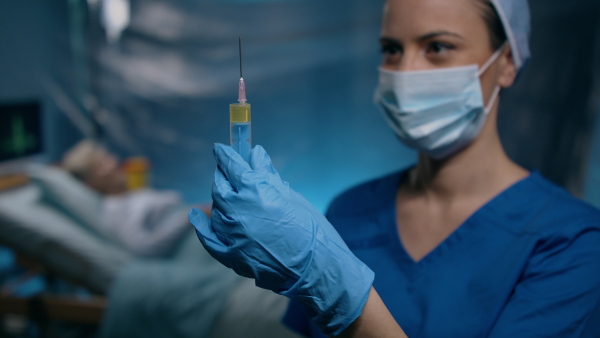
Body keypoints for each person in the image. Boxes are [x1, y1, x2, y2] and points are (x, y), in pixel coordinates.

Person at [188, 0, 600, 336]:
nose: (405, 73)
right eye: (392, 49)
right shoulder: (350, 210)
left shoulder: (573, 241)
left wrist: (347, 301)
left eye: (438, 47)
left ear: (506, 62)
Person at [62, 140, 210, 258]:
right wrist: (188, 217)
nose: (113, 163)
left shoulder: (129, 195)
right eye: (101, 165)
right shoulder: (114, 208)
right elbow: (143, 249)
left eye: (107, 157)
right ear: (91, 183)